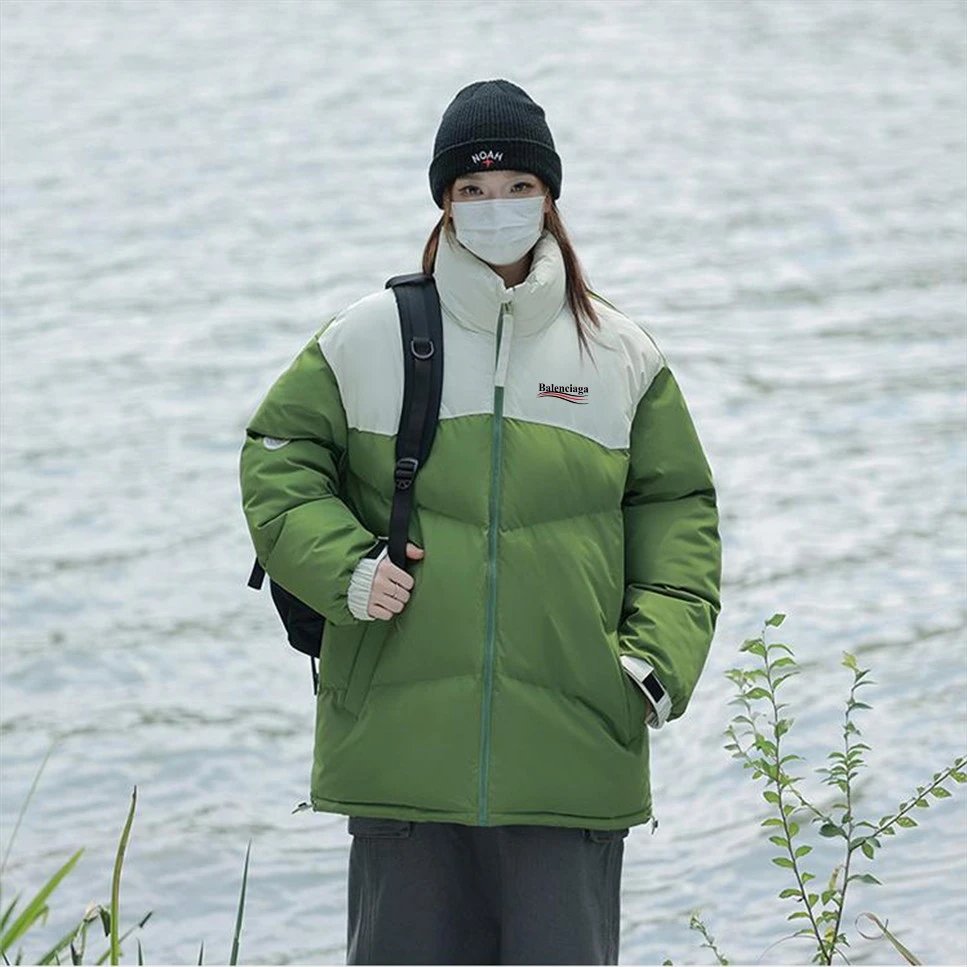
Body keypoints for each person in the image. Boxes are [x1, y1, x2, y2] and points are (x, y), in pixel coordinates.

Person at [239, 79, 722, 966]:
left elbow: (678, 513)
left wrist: (650, 666)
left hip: (574, 759)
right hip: (398, 759)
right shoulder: (367, 337)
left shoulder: (619, 355)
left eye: (516, 187)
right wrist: (345, 567)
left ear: (548, 197)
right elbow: (277, 457)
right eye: (473, 188)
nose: (496, 207)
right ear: (445, 203)